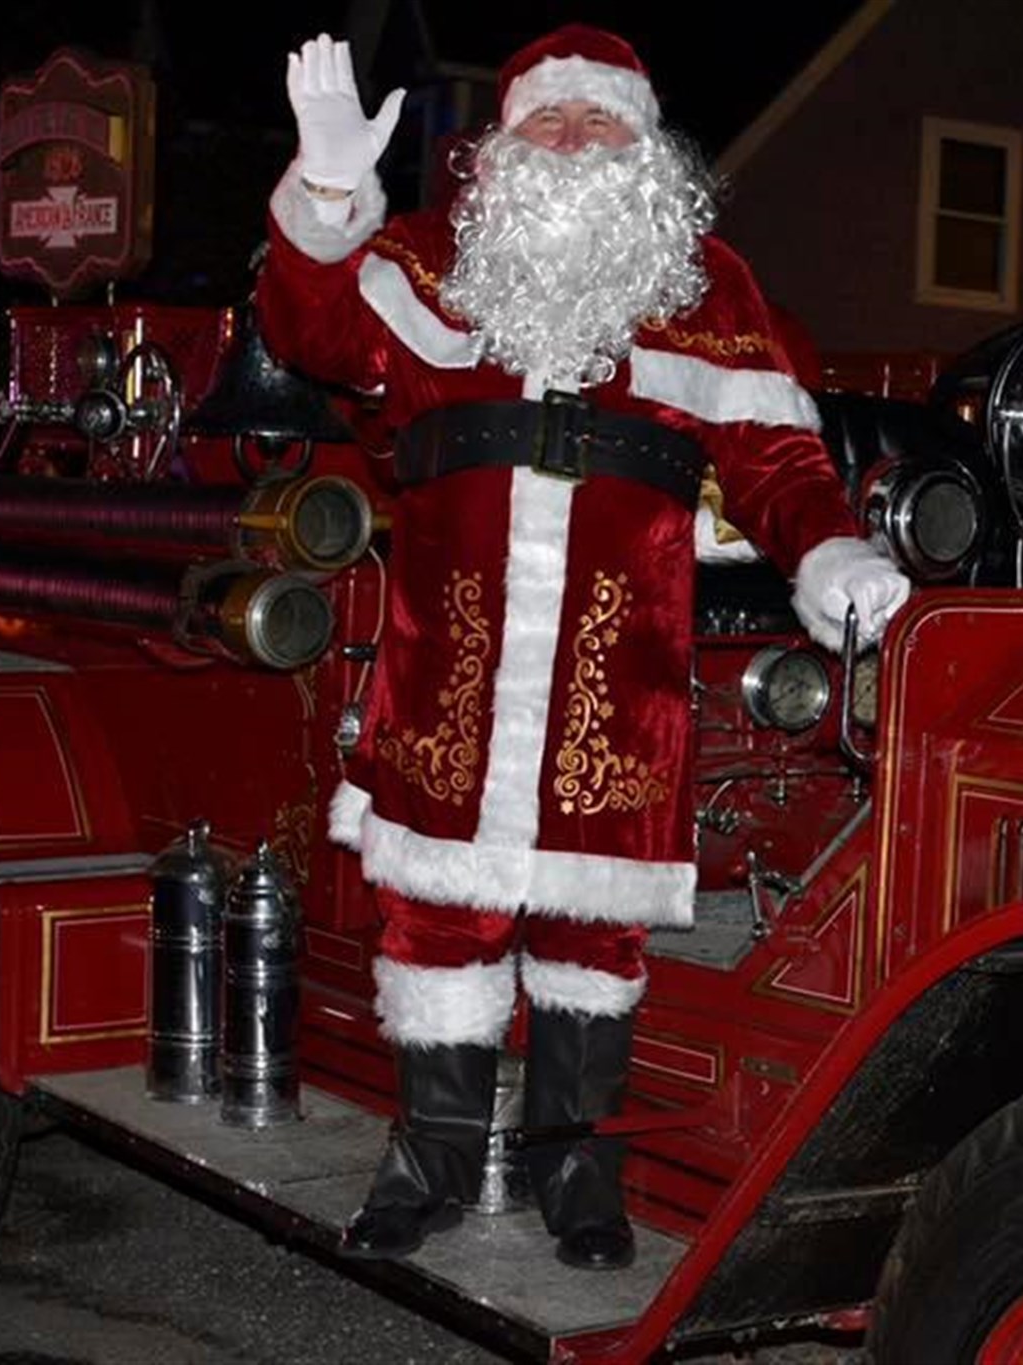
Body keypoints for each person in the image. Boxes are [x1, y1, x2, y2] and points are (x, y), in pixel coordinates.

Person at [256, 26, 910, 1270]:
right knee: (438, 921)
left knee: (588, 938)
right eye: (548, 121)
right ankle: (429, 1163)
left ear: (642, 149)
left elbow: (773, 458)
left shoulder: (706, 289)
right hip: (451, 664)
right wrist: (330, 193)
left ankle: (575, 1175)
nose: (571, 142)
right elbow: (311, 330)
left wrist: (829, 554)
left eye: (597, 123)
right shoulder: (432, 264)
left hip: (617, 685)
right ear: (504, 146)